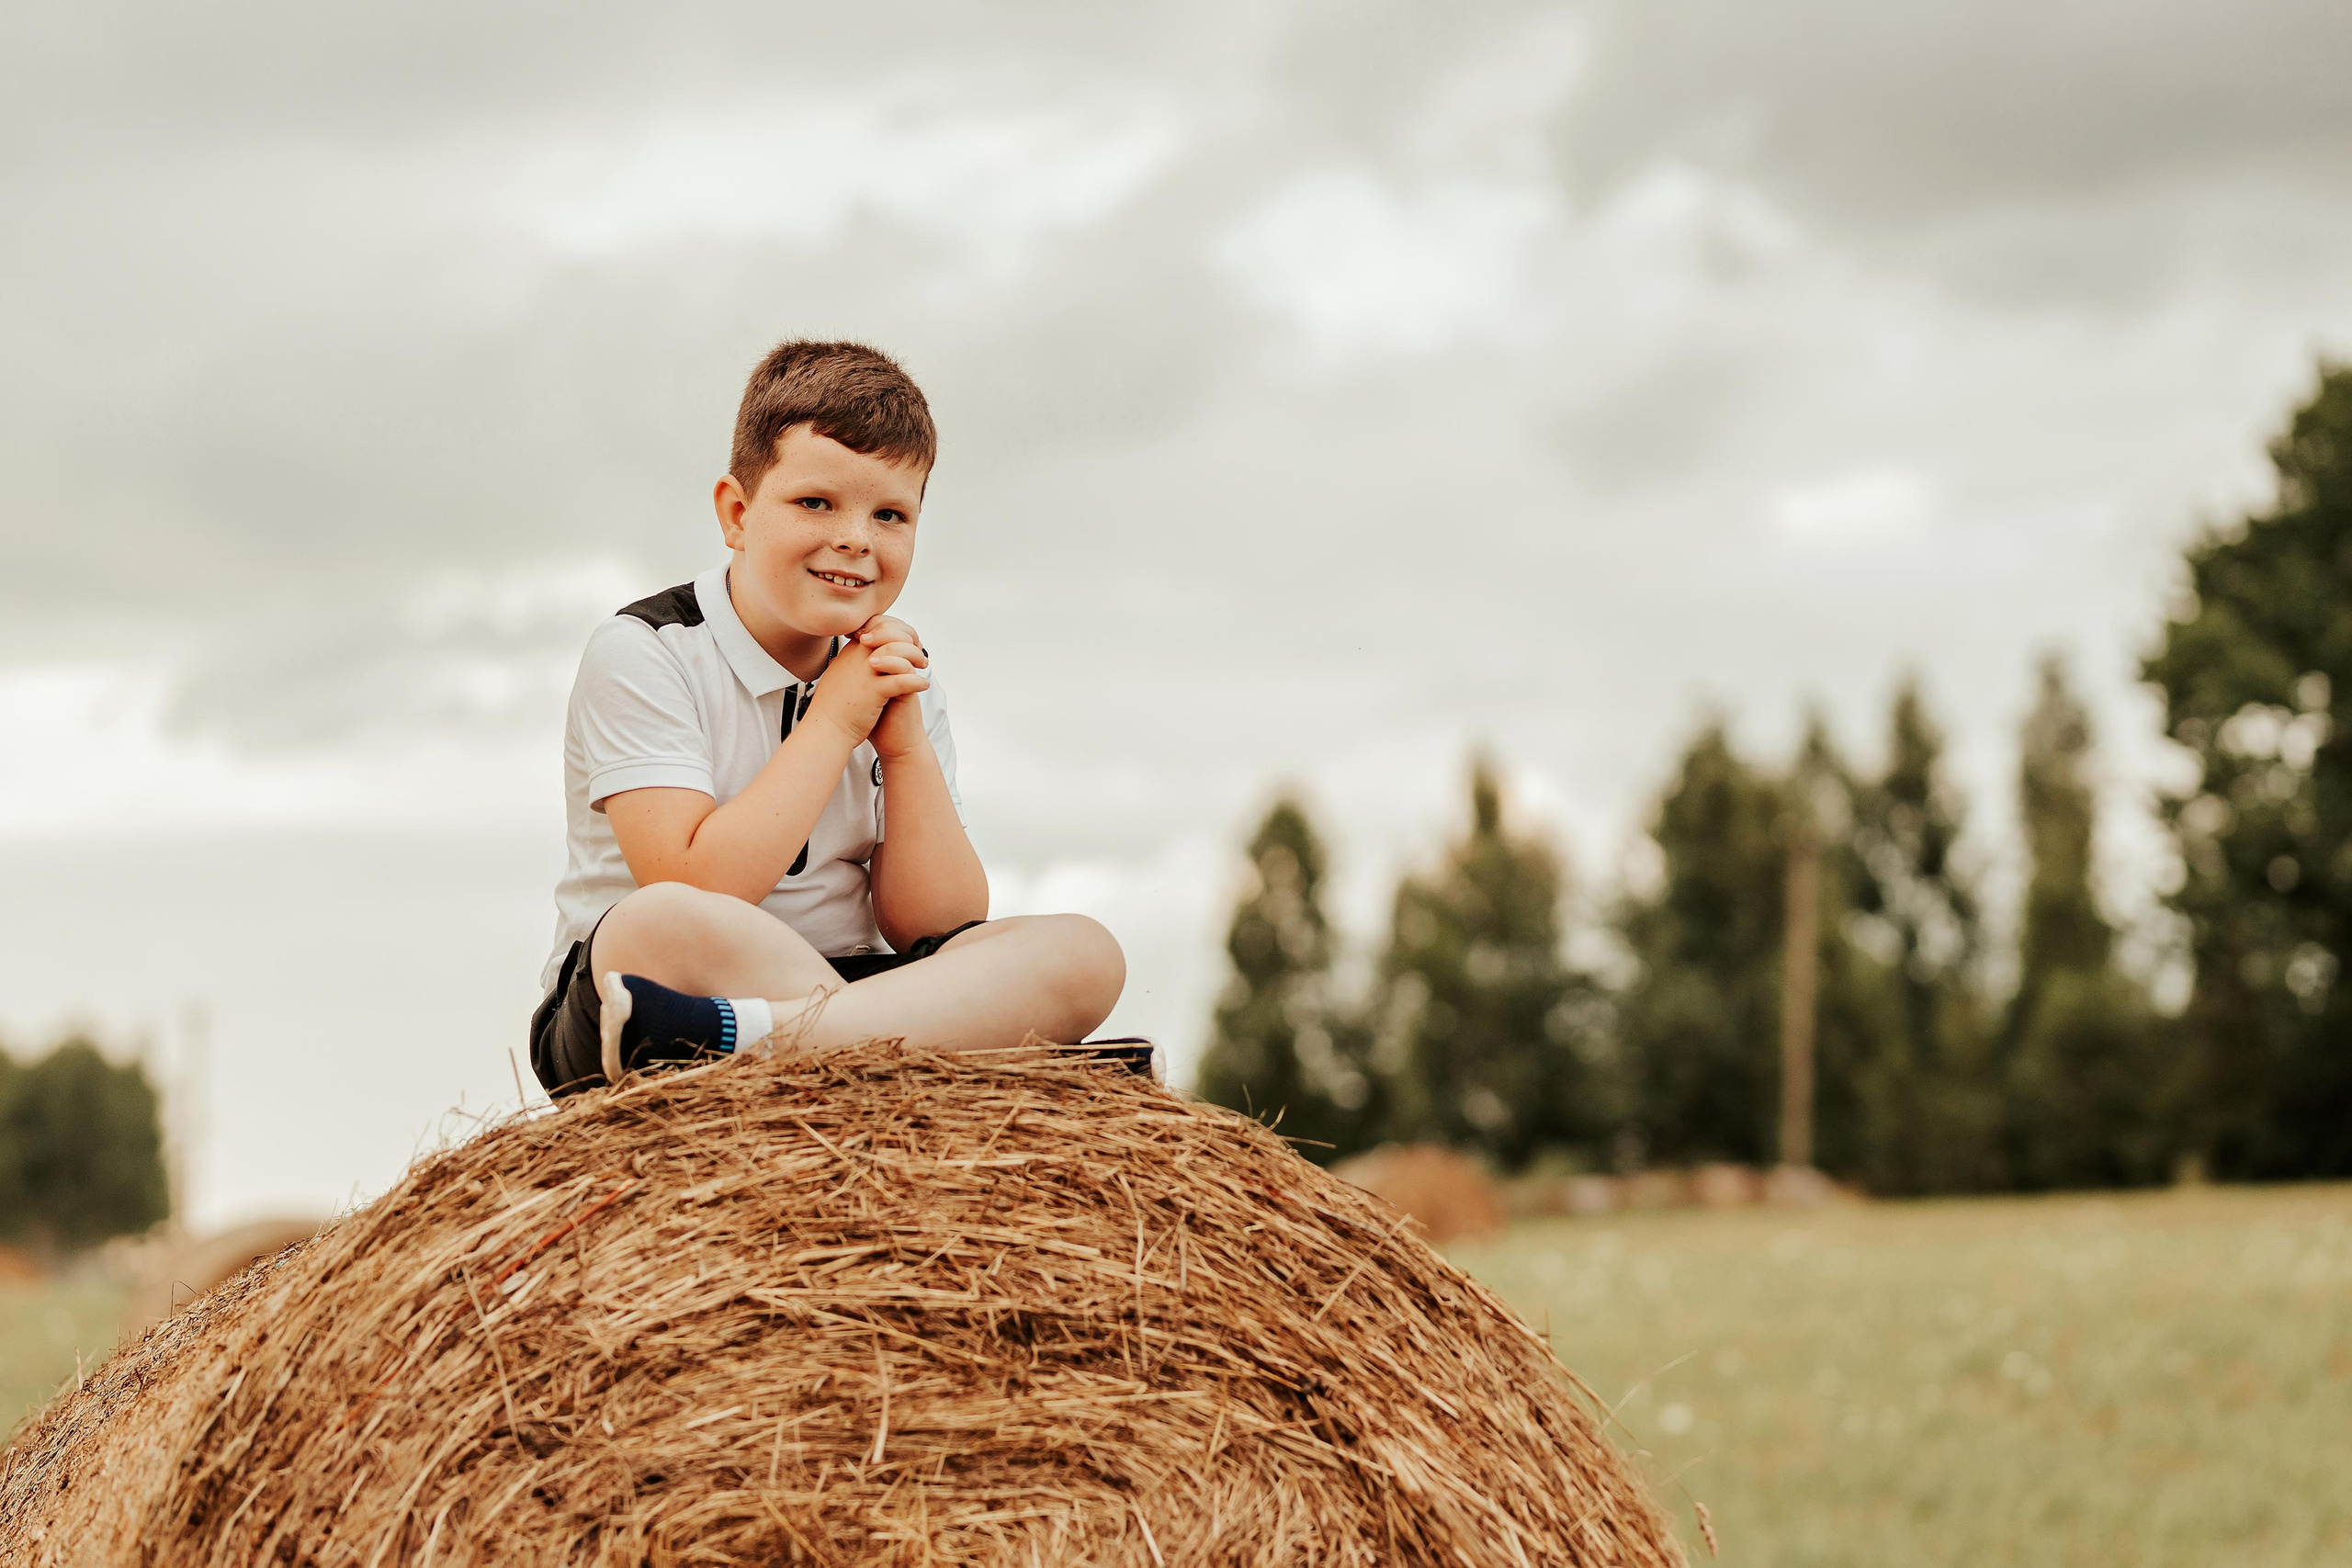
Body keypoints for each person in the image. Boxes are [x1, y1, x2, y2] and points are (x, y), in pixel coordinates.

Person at [528, 340, 1126, 1096]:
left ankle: (772, 1041)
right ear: (737, 513)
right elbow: (696, 880)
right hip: (656, 988)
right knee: (657, 920)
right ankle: (946, 1057)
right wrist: (835, 721)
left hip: (849, 985)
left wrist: (903, 749)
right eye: (816, 503)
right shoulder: (645, 650)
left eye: (890, 514)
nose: (855, 538)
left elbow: (936, 925)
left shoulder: (898, 673)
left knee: (1087, 952)